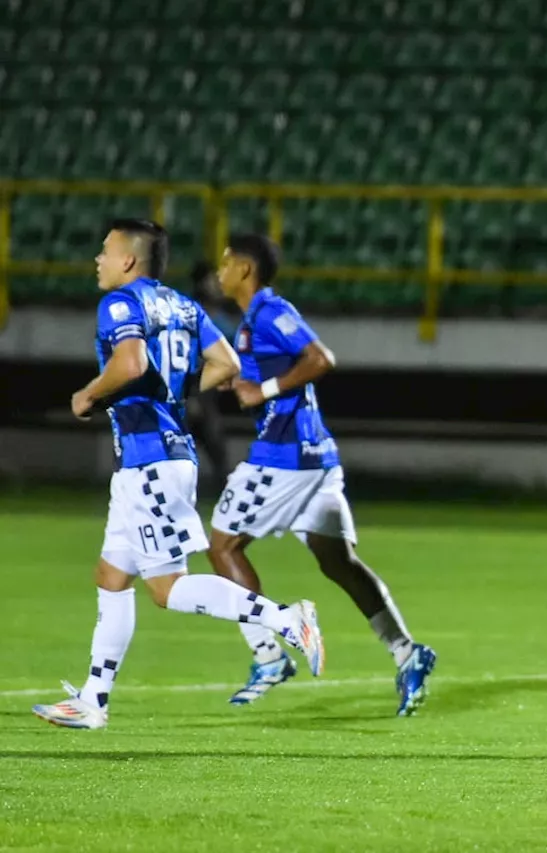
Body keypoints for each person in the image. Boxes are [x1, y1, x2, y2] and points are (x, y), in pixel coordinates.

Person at [32, 219, 324, 731]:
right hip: (156, 461)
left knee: (167, 589)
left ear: (128, 260)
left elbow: (129, 362)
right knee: (112, 576)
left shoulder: (121, 303)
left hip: (150, 461)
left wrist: (89, 395)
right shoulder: (182, 305)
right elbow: (227, 362)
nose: (97, 260)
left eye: (105, 251)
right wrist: (175, 388)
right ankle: (93, 700)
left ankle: (286, 619)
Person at [207, 234, 436, 716]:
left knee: (222, 545)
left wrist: (262, 388)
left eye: (227, 262)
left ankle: (268, 654)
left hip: (287, 454)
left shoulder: (271, 310)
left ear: (246, 270)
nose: (219, 269)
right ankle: (407, 652)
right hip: (315, 456)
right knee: (337, 560)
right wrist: (244, 382)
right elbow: (270, 375)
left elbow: (320, 359)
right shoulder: (253, 322)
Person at [184, 261, 236, 488]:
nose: (216, 284)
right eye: (211, 280)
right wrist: (191, 396)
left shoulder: (220, 317)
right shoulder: (191, 314)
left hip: (208, 395)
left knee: (217, 452)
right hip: (192, 393)